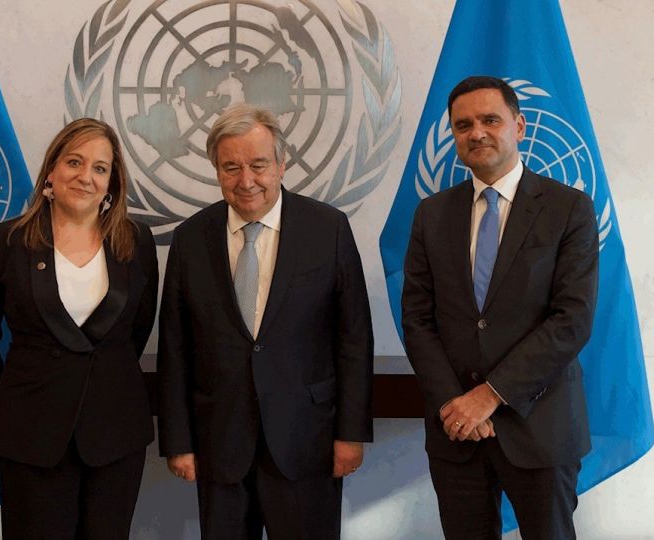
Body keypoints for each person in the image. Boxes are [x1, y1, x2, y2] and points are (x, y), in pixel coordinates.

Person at [157, 103, 373, 539]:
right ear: (216, 169)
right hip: (219, 443)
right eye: (231, 167)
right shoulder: (190, 238)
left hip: (306, 441)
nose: (246, 181)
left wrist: (351, 434)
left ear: (281, 164)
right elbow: (175, 348)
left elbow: (353, 338)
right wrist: (178, 441)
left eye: (258, 164)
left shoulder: (328, 228)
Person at [402, 75, 599, 539]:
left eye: (491, 120)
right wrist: (456, 404)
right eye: (463, 124)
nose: (477, 132)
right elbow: (417, 318)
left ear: (520, 125)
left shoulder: (568, 208)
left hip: (540, 427)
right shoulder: (431, 215)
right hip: (458, 434)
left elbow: (571, 320)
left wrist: (488, 397)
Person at [0, 118, 158, 539]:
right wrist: (9, 402)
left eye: (100, 168)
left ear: (111, 183)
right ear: (51, 171)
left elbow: (135, 333)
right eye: (75, 162)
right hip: (31, 434)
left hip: (115, 434)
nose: (86, 176)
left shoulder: (136, 242)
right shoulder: (8, 241)